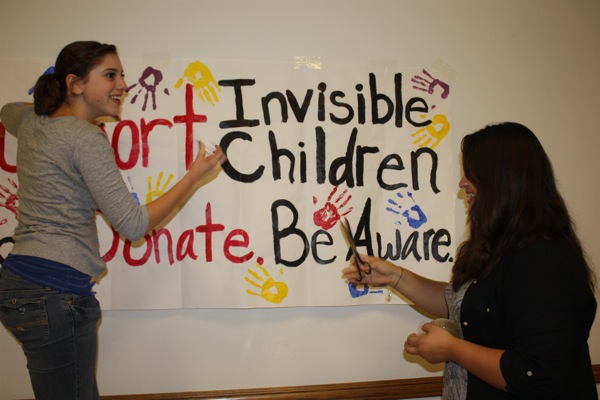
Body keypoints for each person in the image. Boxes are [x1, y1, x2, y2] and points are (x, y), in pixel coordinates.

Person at [0, 41, 226, 400]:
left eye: (122, 74)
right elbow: (134, 225)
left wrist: (49, 103)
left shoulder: (33, 122)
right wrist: (195, 175)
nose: (123, 84)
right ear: (75, 84)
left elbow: (7, 110)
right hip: (55, 292)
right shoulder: (86, 138)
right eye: (110, 75)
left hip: (20, 282)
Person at [343, 122, 598, 399]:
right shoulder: (498, 246)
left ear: (503, 180)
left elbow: (536, 373)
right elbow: (465, 307)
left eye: (472, 173)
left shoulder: (544, 259)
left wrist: (452, 349)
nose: (463, 183)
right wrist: (395, 277)